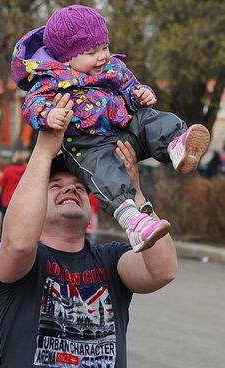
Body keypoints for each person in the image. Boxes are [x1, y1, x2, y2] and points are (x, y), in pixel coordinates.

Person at [0, 93, 178, 368]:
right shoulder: (23, 262)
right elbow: (18, 243)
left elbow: (163, 270)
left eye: (79, 185)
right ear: (36, 203)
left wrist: (134, 191)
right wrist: (44, 151)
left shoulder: (111, 261)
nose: (71, 187)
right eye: (55, 185)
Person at [11, 5, 210, 252]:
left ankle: (176, 145)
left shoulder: (112, 67)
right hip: (88, 146)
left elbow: (130, 88)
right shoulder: (52, 79)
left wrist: (141, 94)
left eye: (104, 47)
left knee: (149, 118)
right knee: (106, 174)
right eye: (92, 52)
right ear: (67, 58)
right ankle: (133, 221)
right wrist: (49, 114)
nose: (102, 56)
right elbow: (32, 104)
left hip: (124, 128)